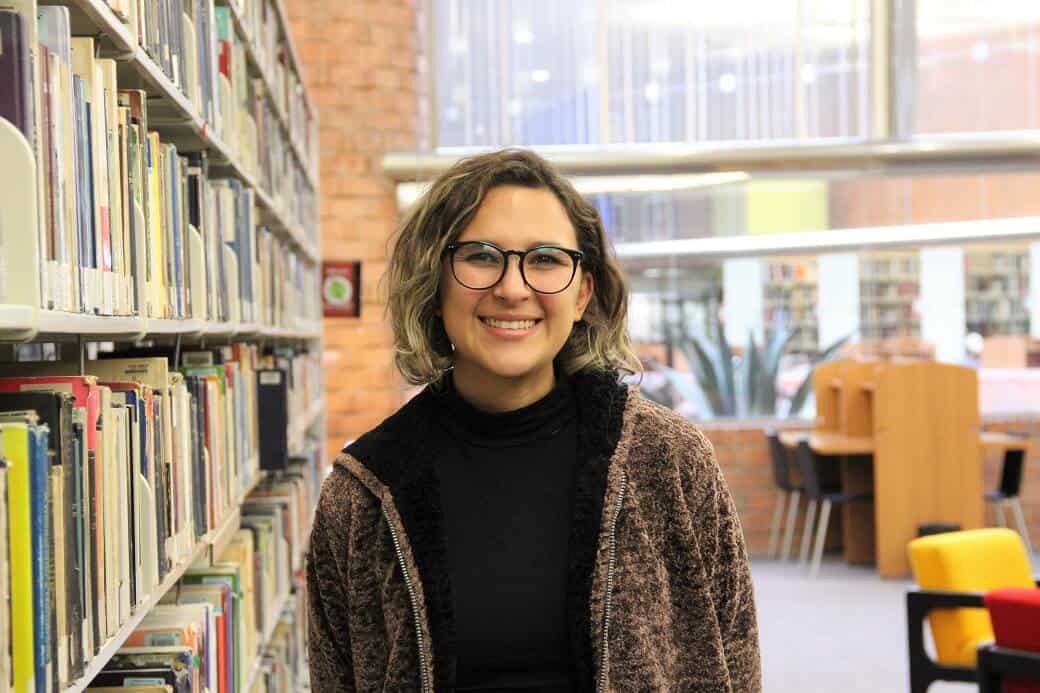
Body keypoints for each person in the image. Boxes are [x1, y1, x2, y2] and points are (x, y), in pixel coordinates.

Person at [307, 149, 761, 692]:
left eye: (545, 259)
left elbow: (736, 664)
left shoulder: (671, 460)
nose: (513, 288)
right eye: (481, 256)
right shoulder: (361, 495)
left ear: (582, 293)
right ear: (435, 281)